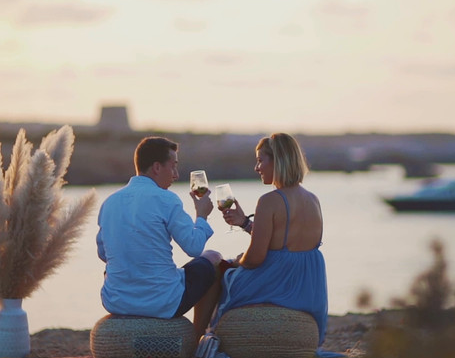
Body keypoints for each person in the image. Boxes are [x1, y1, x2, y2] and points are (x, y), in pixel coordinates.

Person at [96, 136, 222, 338]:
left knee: (116, 263)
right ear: (156, 167)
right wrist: (202, 216)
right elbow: (194, 247)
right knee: (212, 257)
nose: (176, 174)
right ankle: (198, 336)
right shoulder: (167, 199)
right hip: (163, 303)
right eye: (173, 167)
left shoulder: (109, 202)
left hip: (116, 302)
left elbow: (103, 253)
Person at [215, 133, 328, 346]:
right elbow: (283, 242)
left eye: (260, 160)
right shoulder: (313, 200)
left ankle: (204, 338)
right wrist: (245, 224)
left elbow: (256, 258)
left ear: (278, 161)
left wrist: (239, 261)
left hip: (278, 285)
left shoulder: (269, 201)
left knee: (217, 270)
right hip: (307, 289)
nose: (256, 168)